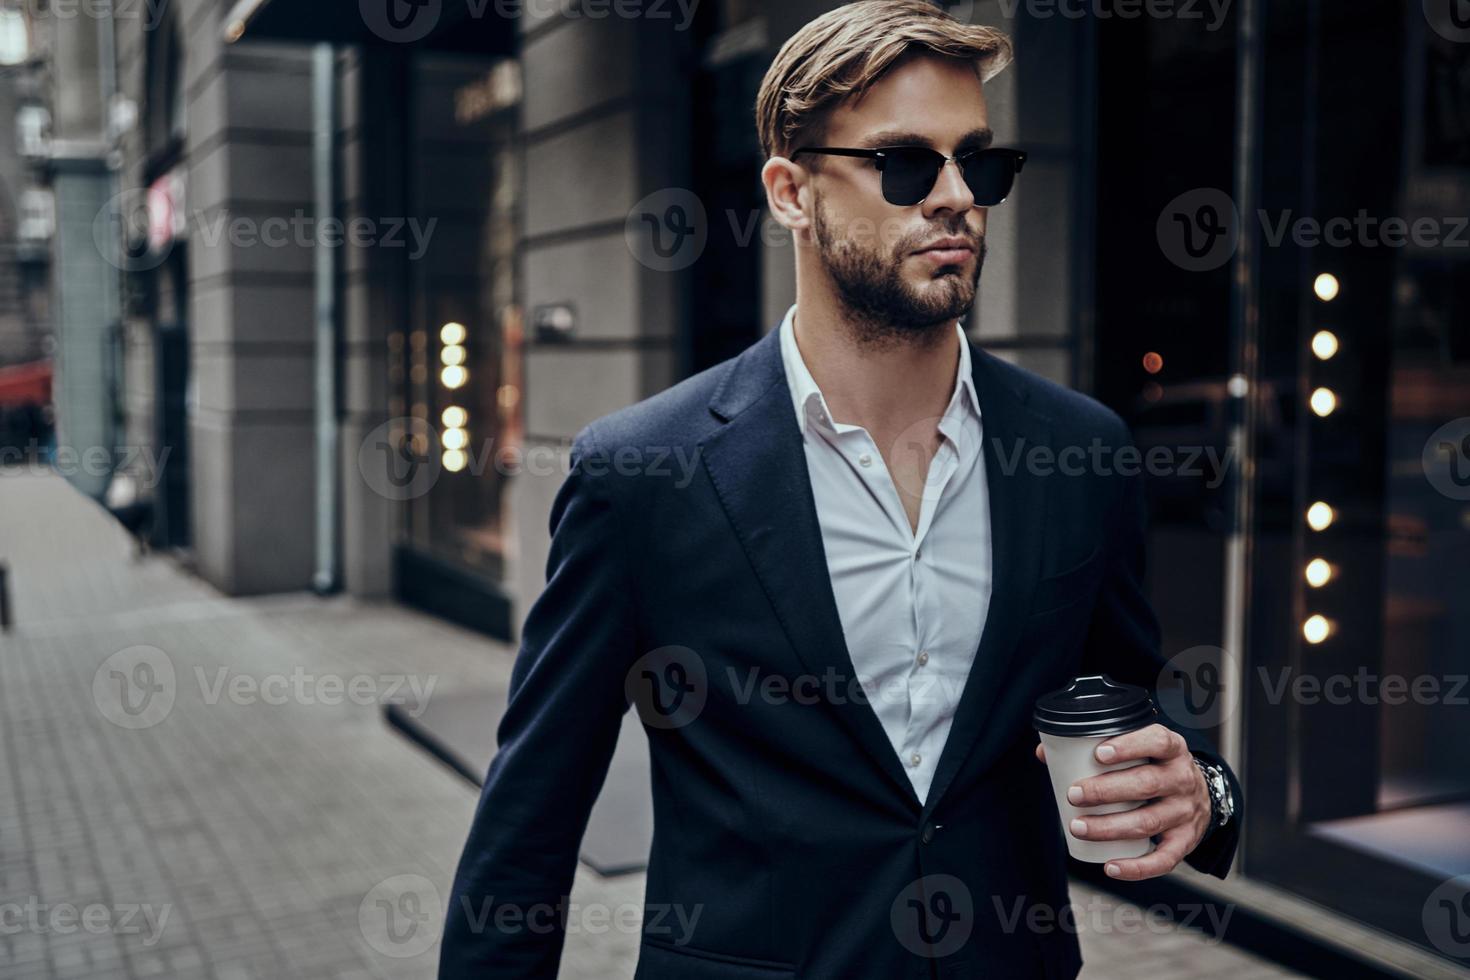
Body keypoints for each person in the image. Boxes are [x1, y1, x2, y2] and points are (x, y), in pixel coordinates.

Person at [441, 1, 1241, 976]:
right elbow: (527, 826)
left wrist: (1202, 787)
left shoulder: (1081, 452)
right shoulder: (642, 476)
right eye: (905, 163)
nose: (956, 196)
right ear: (790, 191)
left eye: (978, 162)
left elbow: (1125, 698)